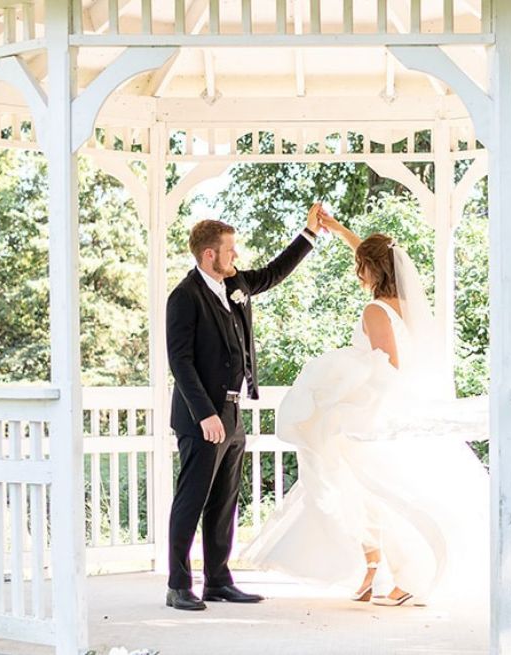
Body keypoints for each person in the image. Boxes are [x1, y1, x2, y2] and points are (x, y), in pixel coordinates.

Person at [241, 209, 489, 609]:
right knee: (358, 487)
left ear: (372, 270)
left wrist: (342, 383)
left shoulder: (376, 310)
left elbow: (386, 364)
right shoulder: (409, 302)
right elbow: (375, 253)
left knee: (368, 489)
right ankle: (370, 570)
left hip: (377, 412)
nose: (358, 275)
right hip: (404, 407)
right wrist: (339, 230)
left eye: (361, 268)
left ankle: (405, 576)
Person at [163, 208, 323, 611]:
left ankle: (218, 580)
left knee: (224, 500)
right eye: (230, 250)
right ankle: (178, 584)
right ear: (208, 256)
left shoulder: (234, 283)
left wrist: (308, 233)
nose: (237, 256)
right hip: (203, 418)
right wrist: (205, 415)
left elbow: (273, 273)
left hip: (232, 412)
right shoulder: (184, 297)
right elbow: (180, 360)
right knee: (192, 498)